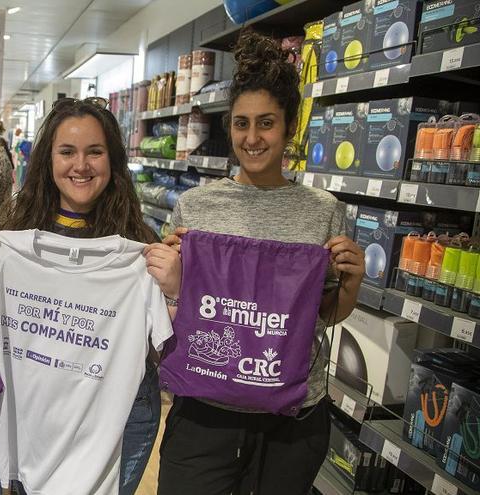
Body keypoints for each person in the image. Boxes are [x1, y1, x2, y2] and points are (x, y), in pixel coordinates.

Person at [156, 30, 365, 495]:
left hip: (291, 419)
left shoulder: (323, 210)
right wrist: (168, 277)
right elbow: (175, 308)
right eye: (241, 123)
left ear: (289, 127)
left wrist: (351, 283)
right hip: (205, 413)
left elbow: (324, 314)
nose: (252, 138)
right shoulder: (196, 206)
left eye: (266, 123)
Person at [0, 97, 181, 495]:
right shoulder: (11, 243)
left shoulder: (140, 251)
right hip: (37, 413)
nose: (80, 165)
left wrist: (174, 292)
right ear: (49, 160)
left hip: (115, 419)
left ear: (112, 160)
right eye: (67, 152)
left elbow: (165, 352)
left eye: (94, 152)